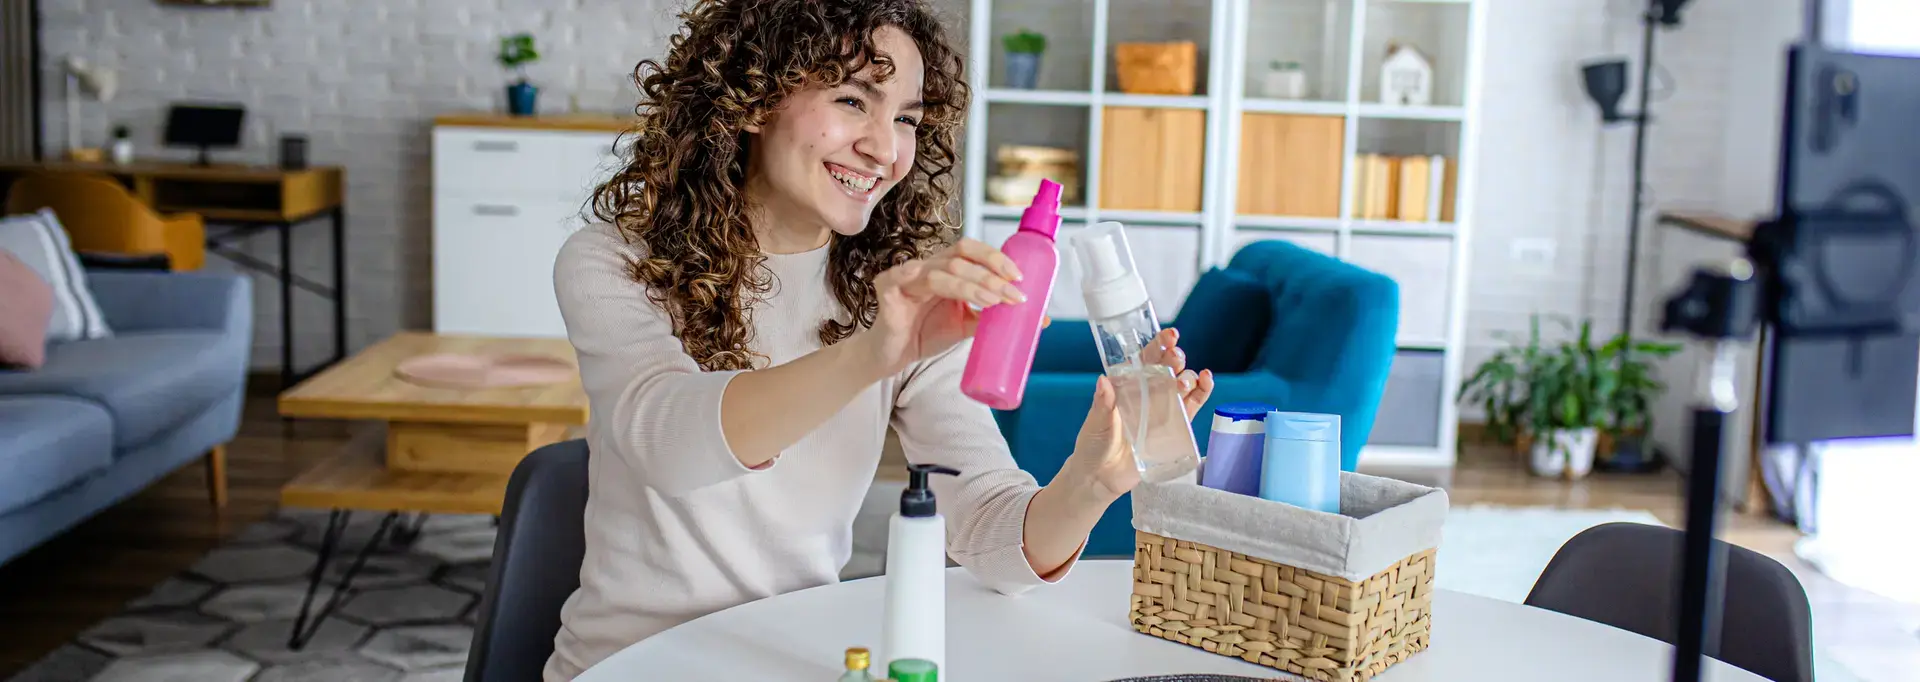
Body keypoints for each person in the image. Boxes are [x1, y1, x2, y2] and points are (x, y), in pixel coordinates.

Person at [544, 1, 1213, 678]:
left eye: (906, 119)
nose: (886, 149)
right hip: (629, 666)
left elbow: (989, 529)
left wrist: (1091, 482)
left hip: (790, 661)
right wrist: (873, 352)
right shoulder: (617, 262)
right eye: (852, 100)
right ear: (752, 98)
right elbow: (667, 445)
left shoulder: (895, 296)